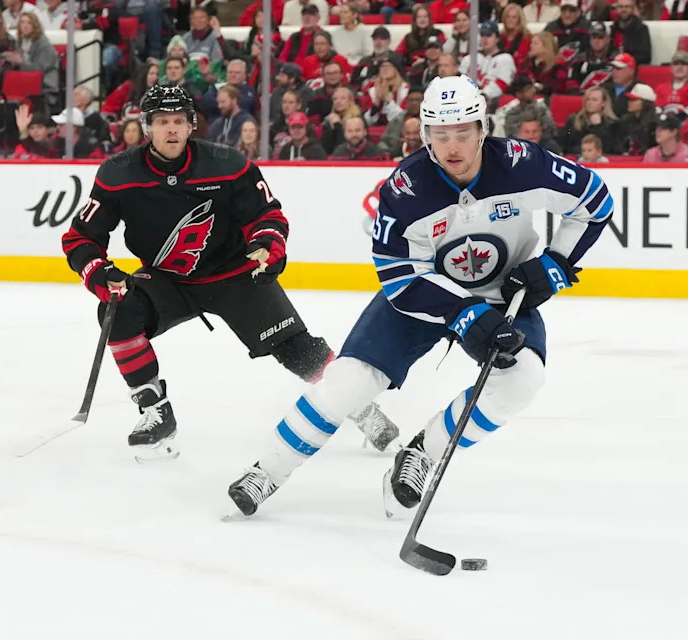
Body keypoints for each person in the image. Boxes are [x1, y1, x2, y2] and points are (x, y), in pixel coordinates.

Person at [225, 74, 613, 517]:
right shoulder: (405, 190)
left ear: (483, 128)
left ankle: (423, 454)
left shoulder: (524, 164)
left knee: (522, 380)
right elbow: (398, 277)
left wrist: (556, 263)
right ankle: (268, 471)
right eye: (441, 135)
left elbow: (595, 201)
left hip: (503, 294)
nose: (453, 147)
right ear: (426, 135)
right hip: (424, 296)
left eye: (463, 133)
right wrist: (463, 312)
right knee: (349, 382)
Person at [61, 86, 395, 461]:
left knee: (297, 349)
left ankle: (363, 410)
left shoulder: (227, 164)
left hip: (236, 274)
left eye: (177, 121)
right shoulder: (118, 174)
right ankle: (155, 410)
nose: (170, 130)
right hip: (167, 279)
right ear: (146, 128)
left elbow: (267, 215)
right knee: (118, 310)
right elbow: (81, 237)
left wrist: (268, 245)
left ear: (190, 126)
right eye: (161, 122)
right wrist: (100, 272)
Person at [3, 13, 58, 107]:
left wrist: (21, 62)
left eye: (29, 23)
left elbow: (40, 69)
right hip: (26, 80)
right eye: (22, 22)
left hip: (45, 83)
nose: (25, 26)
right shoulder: (20, 41)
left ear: (35, 26)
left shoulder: (43, 43)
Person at [461, 21, 517, 104]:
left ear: (497, 38)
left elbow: (502, 85)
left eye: (489, 35)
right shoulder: (470, 58)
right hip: (469, 100)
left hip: (494, 102)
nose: (485, 39)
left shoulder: (505, 59)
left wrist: (483, 96)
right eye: (482, 35)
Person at [563, 85, 618, 155]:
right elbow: (567, 145)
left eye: (594, 100)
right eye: (588, 99)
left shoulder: (613, 124)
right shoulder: (573, 120)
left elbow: (608, 149)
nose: (590, 102)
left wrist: (598, 126)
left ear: (603, 103)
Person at [613, 82, 657, 155]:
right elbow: (618, 144)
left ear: (645, 103)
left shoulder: (654, 123)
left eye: (633, 100)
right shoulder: (626, 120)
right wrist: (623, 151)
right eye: (629, 99)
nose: (629, 102)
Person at [320, 86, 362, 154]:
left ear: (350, 101)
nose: (338, 101)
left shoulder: (358, 119)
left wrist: (337, 125)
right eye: (335, 99)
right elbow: (325, 148)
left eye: (343, 98)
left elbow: (347, 145)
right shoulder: (329, 120)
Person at [609, 0, 651, 65]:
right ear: (617, 9)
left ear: (633, 9)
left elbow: (645, 56)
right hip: (613, 66)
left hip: (632, 67)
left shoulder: (641, 29)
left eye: (627, 6)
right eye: (621, 7)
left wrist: (625, 60)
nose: (624, 9)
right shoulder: (613, 28)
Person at [654, 50, 688, 118]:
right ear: (671, 68)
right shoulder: (660, 88)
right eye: (676, 64)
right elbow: (657, 109)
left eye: (684, 63)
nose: (679, 67)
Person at [334, 2, 373, 66]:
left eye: (345, 12)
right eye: (340, 12)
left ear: (355, 15)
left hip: (358, 66)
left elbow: (369, 55)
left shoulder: (364, 31)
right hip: (338, 67)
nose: (341, 15)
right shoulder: (336, 32)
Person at [607, 52, 638, 117]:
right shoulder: (604, 88)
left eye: (619, 68)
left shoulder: (639, 91)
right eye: (613, 68)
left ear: (631, 71)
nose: (614, 72)